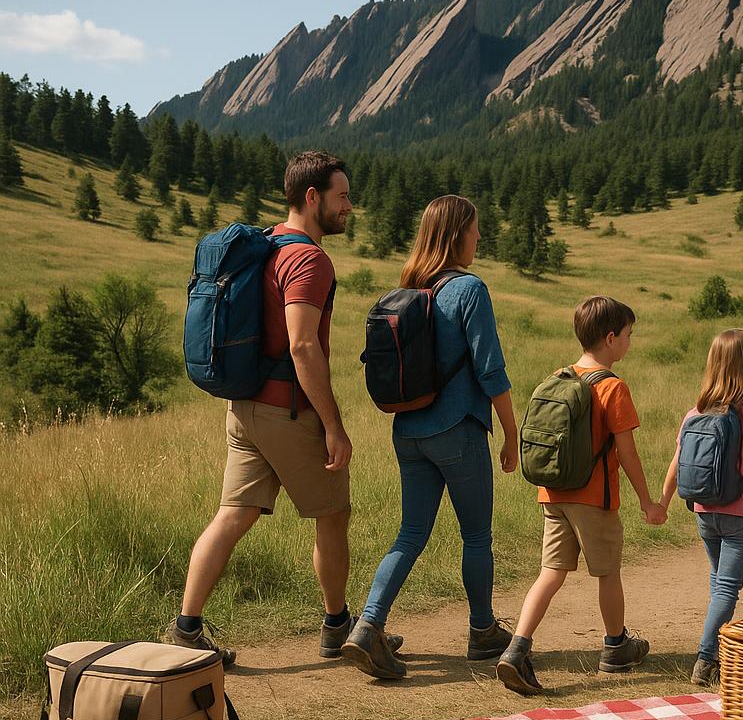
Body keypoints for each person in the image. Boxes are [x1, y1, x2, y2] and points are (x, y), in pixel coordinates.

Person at [163, 151, 383, 666]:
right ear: (313, 197)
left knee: (232, 515)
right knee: (333, 515)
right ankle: (336, 628)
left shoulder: (266, 242)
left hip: (244, 408)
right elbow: (303, 346)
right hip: (288, 411)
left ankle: (186, 628)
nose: (349, 206)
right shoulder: (308, 259)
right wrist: (334, 426)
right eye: (342, 195)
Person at [342, 195, 518, 680]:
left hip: (408, 432)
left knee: (411, 533)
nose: (479, 237)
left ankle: (367, 626)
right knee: (476, 534)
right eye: (475, 229)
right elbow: (490, 370)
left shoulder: (409, 290)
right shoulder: (469, 289)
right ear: (457, 233)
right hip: (456, 431)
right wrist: (510, 430)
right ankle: (483, 631)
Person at [496, 296, 665, 696]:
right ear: (610, 338)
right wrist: (648, 502)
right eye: (627, 335)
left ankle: (517, 648)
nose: (629, 341)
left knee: (550, 572)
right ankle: (615, 645)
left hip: (552, 493)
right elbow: (627, 453)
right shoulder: (612, 387)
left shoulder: (560, 375)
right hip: (594, 498)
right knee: (607, 572)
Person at [657, 328, 743, 687]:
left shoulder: (695, 412)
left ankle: (715, 652)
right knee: (727, 587)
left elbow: (677, 460)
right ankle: (706, 658)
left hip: (704, 509)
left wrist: (664, 501)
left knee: (719, 584)